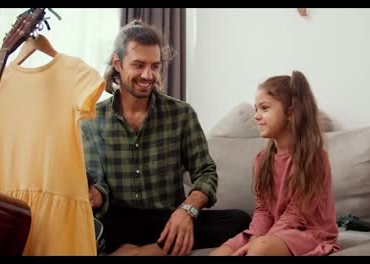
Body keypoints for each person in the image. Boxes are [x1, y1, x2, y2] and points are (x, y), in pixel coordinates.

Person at [80, 19, 251, 256]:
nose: (148, 75)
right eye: (139, 65)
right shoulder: (91, 118)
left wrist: (187, 211)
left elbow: (206, 173)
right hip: (117, 220)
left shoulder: (181, 114)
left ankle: (150, 250)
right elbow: (97, 182)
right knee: (82, 229)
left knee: (239, 220)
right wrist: (93, 196)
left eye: (155, 66)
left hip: (169, 220)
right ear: (117, 63)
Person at [209, 71, 340, 256]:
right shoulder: (261, 159)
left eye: (264, 108)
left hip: (307, 232)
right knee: (219, 254)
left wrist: (259, 244)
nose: (256, 116)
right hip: (275, 232)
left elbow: (296, 215)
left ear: (290, 112)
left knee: (260, 249)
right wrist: (255, 237)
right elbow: (263, 210)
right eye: (256, 109)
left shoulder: (314, 158)